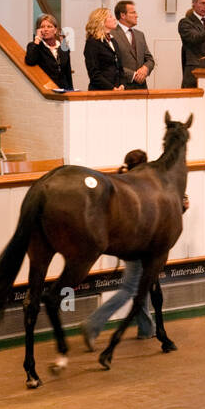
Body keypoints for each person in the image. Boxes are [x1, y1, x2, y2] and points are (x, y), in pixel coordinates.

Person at [82, 150, 157, 350]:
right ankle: (93, 323)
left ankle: (146, 328)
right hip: (138, 244)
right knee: (130, 288)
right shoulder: (140, 187)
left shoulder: (120, 182)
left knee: (139, 285)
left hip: (127, 244)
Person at [112, 0, 155, 90]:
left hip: (141, 87)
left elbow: (149, 59)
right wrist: (134, 75)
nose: (137, 15)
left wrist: (145, 69)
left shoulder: (140, 35)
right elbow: (112, 64)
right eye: (133, 13)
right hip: (122, 87)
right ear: (123, 15)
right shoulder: (112, 34)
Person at [24, 13, 73, 90]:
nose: (45, 29)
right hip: (45, 90)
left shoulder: (63, 48)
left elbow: (67, 73)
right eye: (42, 27)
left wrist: (71, 90)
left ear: (55, 30)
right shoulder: (35, 46)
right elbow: (30, 61)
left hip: (63, 90)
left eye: (49, 27)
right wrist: (37, 39)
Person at [83, 7, 123, 91]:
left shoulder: (113, 41)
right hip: (100, 90)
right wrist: (111, 88)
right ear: (101, 21)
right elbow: (94, 73)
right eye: (110, 17)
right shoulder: (92, 42)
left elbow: (119, 67)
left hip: (117, 90)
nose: (114, 19)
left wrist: (121, 85)